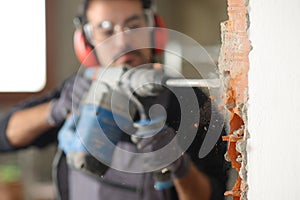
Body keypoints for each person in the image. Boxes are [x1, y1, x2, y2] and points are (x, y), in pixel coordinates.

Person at [0, 0, 227, 199]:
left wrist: (176, 163)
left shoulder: (190, 104)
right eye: (106, 31)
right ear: (86, 41)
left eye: (135, 26)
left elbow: (214, 196)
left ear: (154, 30)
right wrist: (56, 109)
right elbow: (4, 136)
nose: (123, 42)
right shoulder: (78, 91)